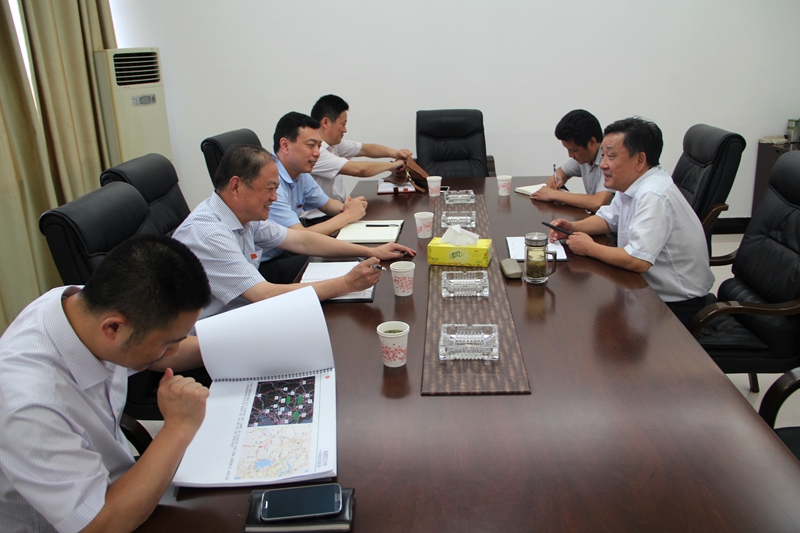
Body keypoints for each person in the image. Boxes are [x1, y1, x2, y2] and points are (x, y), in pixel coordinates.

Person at [0, 235, 212, 533]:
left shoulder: (80, 305)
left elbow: (153, 350)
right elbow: (99, 525)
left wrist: (242, 345)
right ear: (113, 328)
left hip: (114, 477)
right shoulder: (29, 404)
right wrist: (178, 427)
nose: (174, 352)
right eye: (168, 343)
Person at [172, 144, 415, 319]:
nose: (274, 197)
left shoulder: (243, 216)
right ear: (236, 186)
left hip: (244, 317)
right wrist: (346, 283)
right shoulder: (209, 234)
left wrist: (372, 251)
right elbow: (265, 295)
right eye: (269, 189)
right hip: (209, 341)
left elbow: (302, 241)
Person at [547, 117, 714, 327]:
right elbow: (608, 219)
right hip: (644, 288)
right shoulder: (632, 185)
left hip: (675, 304)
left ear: (639, 160)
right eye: (603, 156)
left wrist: (589, 248)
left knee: (578, 317)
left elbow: (638, 260)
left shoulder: (653, 194)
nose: (603, 164)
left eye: (611, 156)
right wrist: (572, 228)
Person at [267, 112, 368, 244]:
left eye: (319, 146)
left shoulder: (300, 173)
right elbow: (299, 238)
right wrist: (348, 215)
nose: (317, 153)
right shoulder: (269, 182)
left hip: (288, 249)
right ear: (285, 145)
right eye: (310, 145)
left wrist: (349, 207)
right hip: (274, 255)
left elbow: (326, 204)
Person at [310, 94, 412, 202]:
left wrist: (395, 153)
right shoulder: (316, 152)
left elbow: (365, 149)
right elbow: (358, 170)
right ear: (326, 122)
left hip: (338, 208)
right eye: (343, 124)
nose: (345, 130)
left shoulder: (334, 144)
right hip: (321, 213)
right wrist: (393, 165)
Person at [531, 109, 614, 212]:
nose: (570, 155)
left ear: (592, 142)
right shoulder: (584, 157)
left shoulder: (609, 160)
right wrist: (557, 179)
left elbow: (598, 203)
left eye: (573, 150)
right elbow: (562, 172)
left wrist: (553, 194)